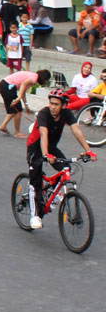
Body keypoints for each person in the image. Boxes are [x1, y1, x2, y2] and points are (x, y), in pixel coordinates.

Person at [26, 89, 96, 230]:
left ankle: (52, 194)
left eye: (56, 104)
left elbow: (76, 130)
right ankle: (35, 216)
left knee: (66, 169)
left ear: (64, 105)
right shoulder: (44, 113)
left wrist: (88, 150)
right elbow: (43, 133)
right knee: (36, 180)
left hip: (51, 147)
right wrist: (46, 154)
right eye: (51, 103)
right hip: (36, 148)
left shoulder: (67, 114)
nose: (52, 107)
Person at [0, 69, 51, 137]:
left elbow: (23, 92)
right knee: (17, 109)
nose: (47, 82)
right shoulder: (33, 79)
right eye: (47, 80)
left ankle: (4, 126)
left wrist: (26, 105)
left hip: (5, 86)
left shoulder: (33, 77)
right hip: (7, 86)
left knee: (15, 109)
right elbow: (23, 84)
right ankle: (16, 132)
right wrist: (18, 98)